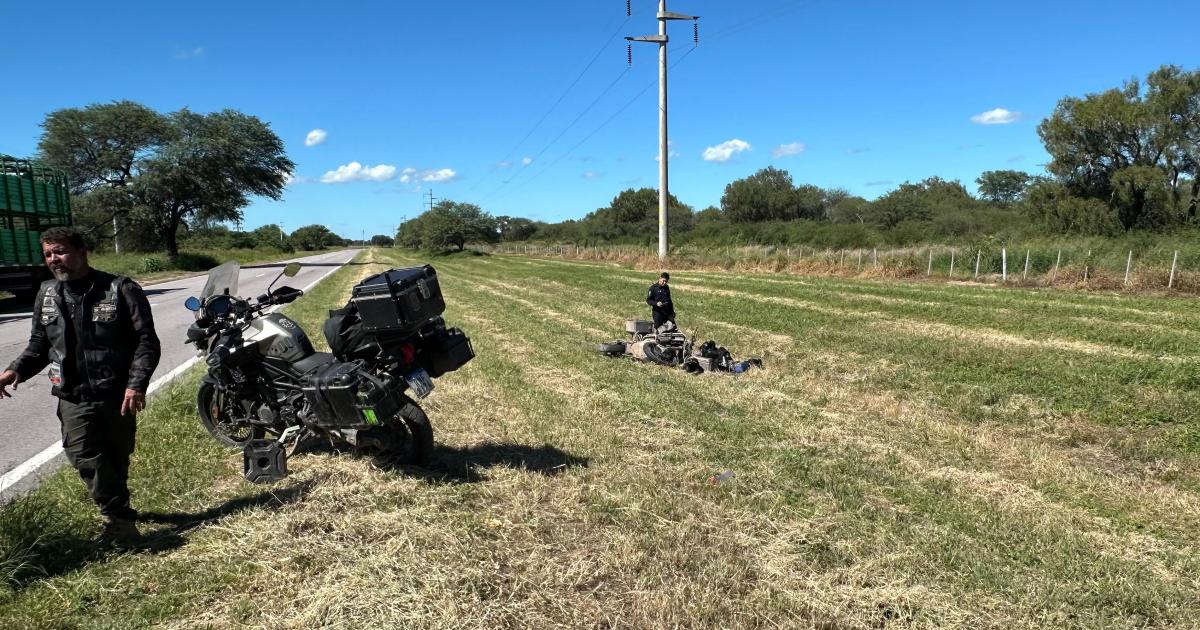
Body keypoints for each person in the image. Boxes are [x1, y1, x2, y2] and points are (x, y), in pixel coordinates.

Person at [0, 227, 161, 547]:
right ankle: (119, 520)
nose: (53, 260)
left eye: (59, 251)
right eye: (47, 254)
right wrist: (14, 370)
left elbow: (146, 341)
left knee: (116, 457)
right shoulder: (46, 292)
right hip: (72, 395)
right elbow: (39, 344)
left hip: (115, 393)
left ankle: (119, 512)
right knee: (85, 454)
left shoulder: (120, 288)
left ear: (82, 251)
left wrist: (136, 384)